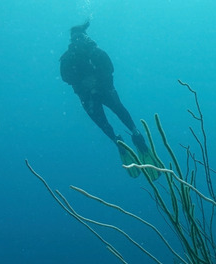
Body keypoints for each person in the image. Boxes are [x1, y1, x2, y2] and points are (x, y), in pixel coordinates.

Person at [60, 21, 160, 179]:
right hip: (92, 94)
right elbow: (66, 76)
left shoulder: (93, 52)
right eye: (76, 38)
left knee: (115, 112)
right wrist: (83, 82)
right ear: (73, 40)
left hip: (101, 91)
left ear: (84, 36)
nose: (78, 40)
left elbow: (108, 68)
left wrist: (95, 80)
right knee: (107, 117)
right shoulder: (72, 56)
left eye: (80, 37)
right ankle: (123, 138)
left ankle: (132, 134)